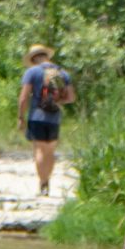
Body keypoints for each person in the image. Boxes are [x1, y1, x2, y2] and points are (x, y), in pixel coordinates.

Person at [19, 44, 75, 196]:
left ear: (33, 58)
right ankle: (47, 180)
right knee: (50, 151)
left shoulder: (32, 72)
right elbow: (71, 98)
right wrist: (55, 102)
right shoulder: (62, 73)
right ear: (47, 56)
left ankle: (43, 183)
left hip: (36, 116)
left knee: (39, 150)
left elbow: (24, 97)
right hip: (54, 117)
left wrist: (20, 117)